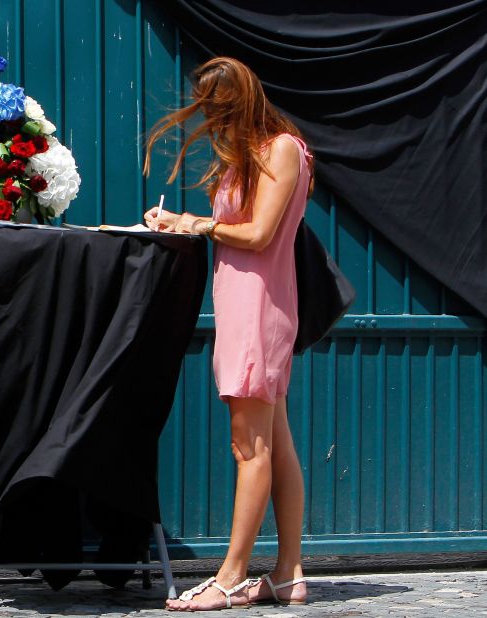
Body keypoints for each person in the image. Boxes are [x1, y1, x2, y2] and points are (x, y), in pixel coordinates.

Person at [142, 56, 313, 611]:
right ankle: (288, 574)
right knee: (276, 445)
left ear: (241, 102)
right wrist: (179, 223)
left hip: (258, 309)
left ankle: (231, 575)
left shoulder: (280, 149)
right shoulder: (249, 157)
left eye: (219, 112)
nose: (213, 125)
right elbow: (242, 228)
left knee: (250, 448)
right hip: (249, 306)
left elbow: (260, 233)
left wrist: (197, 223)